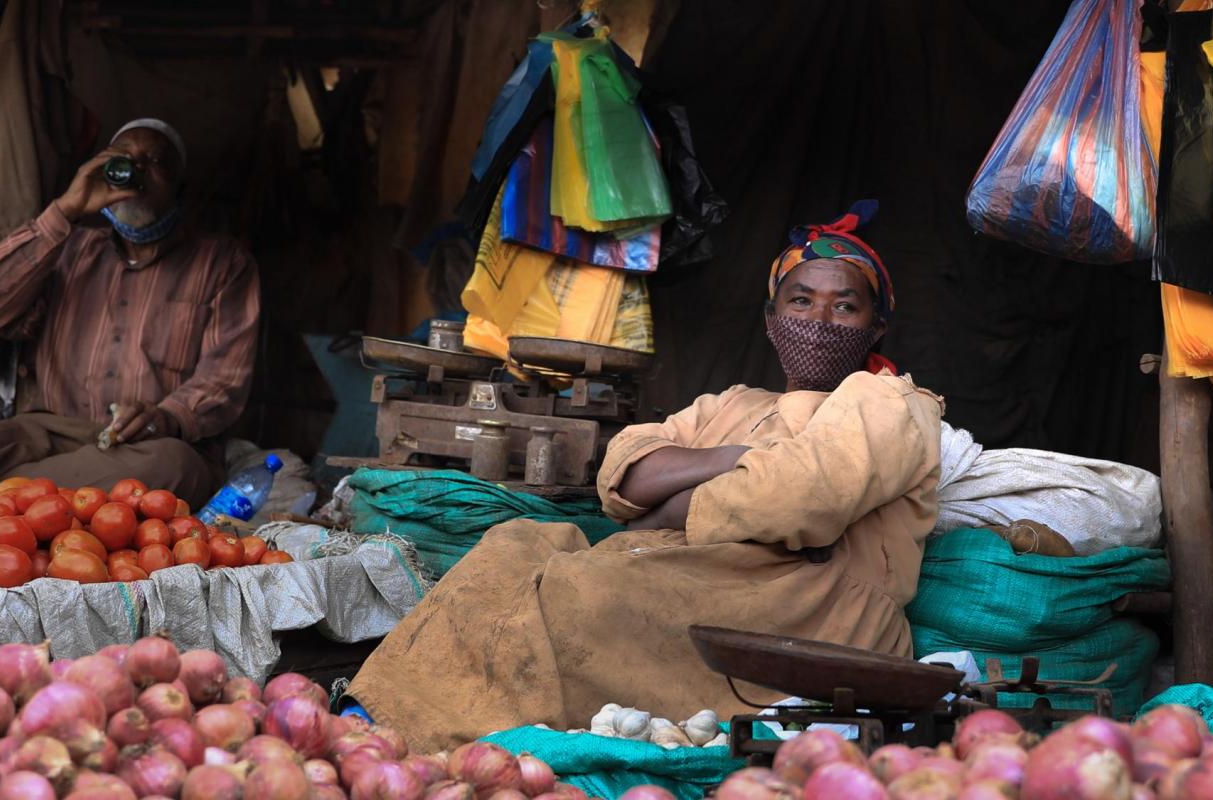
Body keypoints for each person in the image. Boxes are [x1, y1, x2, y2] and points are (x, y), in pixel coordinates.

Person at [344, 203, 942, 751]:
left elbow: (797, 499)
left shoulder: (891, 402)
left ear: (876, 324)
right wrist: (733, 456)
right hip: (696, 575)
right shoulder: (734, 403)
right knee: (513, 544)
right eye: (801, 301)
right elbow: (624, 466)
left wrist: (669, 506)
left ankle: (436, 735)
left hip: (805, 611)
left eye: (845, 306)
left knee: (577, 593)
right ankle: (384, 711)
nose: (820, 319)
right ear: (771, 318)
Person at [0, 119, 261, 504]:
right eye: (121, 157)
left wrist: (166, 416)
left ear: (180, 187)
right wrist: (66, 209)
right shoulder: (70, 249)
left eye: (154, 162)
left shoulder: (222, 263)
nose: (135, 169)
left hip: (146, 444)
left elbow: (223, 378)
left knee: (172, 466)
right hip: (45, 430)